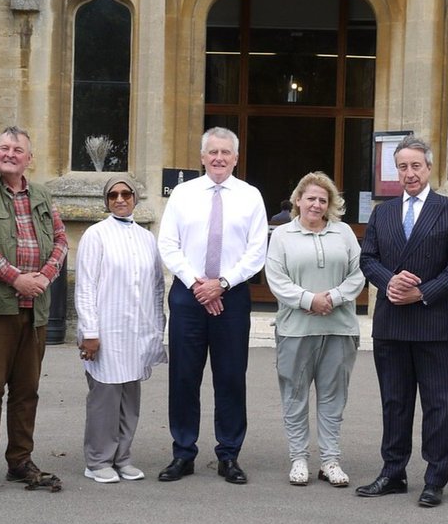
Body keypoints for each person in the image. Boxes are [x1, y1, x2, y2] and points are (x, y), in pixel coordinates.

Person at [356, 134, 448, 507]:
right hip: (391, 322)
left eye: (415, 166)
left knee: (438, 403)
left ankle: (435, 477)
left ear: (429, 167)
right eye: (402, 166)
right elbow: (368, 258)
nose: (409, 173)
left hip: (431, 320)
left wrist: (421, 292)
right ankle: (393, 472)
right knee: (395, 401)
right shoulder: (383, 212)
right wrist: (391, 281)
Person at [156, 127, 267, 484]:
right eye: (213, 152)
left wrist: (220, 284)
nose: (219, 158)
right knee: (184, 377)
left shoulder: (250, 197)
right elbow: (168, 244)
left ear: (236, 158)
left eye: (226, 152)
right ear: (202, 157)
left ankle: (229, 454)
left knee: (231, 378)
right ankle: (183, 453)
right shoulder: (183, 194)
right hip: (189, 295)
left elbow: (256, 252)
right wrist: (198, 284)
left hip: (231, 296)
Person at [0, 126, 68, 495]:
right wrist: (17, 278)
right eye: (4, 148)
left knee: (27, 390)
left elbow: (60, 240)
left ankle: (20, 460)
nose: (10, 154)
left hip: (35, 310)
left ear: (29, 158)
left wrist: (44, 277)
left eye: (17, 149)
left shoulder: (41, 194)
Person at [265, 172, 365, 487]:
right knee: (295, 396)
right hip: (296, 329)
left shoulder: (344, 233)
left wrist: (333, 299)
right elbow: (277, 279)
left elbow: (358, 274)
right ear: (298, 200)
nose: (316, 204)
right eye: (310, 198)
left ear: (330, 204)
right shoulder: (282, 236)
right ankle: (298, 459)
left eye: (323, 200)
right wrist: (309, 300)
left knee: (333, 397)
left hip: (339, 327)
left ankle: (330, 460)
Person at [75, 177, 167, 483]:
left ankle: (123, 456)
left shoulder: (146, 238)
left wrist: (156, 330)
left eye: (126, 193)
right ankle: (98, 460)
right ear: (106, 200)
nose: (120, 199)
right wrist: (90, 330)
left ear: (134, 198)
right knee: (105, 398)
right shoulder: (95, 235)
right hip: (106, 330)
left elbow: (155, 287)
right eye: (113, 194)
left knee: (130, 398)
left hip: (137, 331)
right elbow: (85, 286)